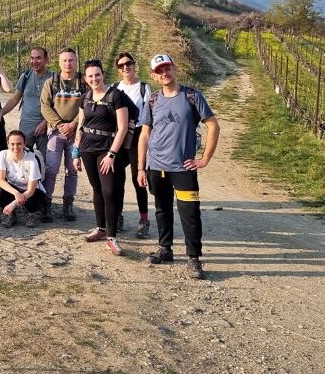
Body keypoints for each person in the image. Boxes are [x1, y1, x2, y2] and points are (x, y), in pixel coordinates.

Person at [138, 54, 220, 279]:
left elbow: (213, 126)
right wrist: (141, 167)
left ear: (175, 68)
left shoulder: (192, 96)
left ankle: (194, 258)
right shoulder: (153, 100)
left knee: (190, 213)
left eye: (167, 68)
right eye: (159, 70)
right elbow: (144, 135)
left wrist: (204, 159)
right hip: (157, 167)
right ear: (155, 76)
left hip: (183, 168)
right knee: (162, 209)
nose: (164, 73)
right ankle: (165, 249)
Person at [75, 59, 129, 256]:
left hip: (106, 149)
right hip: (87, 148)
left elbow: (122, 128)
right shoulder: (85, 97)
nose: (94, 78)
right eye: (90, 76)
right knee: (97, 189)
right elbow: (81, 125)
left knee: (109, 191)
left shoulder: (115, 96)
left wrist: (112, 155)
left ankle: (112, 237)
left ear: (103, 74)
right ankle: (100, 228)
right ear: (85, 78)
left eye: (97, 74)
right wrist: (75, 152)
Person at [40, 47, 87, 222]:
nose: (68, 63)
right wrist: (60, 125)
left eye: (71, 60)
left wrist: (74, 124)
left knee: (72, 170)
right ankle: (47, 204)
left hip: (76, 134)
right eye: (65, 60)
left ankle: (68, 205)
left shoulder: (83, 83)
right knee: (51, 169)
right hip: (56, 132)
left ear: (76, 62)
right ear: (59, 63)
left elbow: (87, 105)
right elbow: (45, 106)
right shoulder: (50, 82)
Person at [114, 51, 152, 238]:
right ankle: (118, 215)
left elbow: (147, 117)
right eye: (121, 66)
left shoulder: (144, 88)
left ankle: (144, 219)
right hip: (121, 135)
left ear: (134, 64)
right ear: (118, 69)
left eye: (128, 64)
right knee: (118, 179)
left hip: (137, 135)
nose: (125, 67)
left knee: (139, 179)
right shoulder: (115, 88)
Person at [0, 47, 53, 152]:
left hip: (47, 126)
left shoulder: (54, 79)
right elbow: (15, 99)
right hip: (26, 125)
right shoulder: (25, 76)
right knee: (23, 157)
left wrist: (45, 122)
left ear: (46, 60)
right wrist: (0, 114)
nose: (34, 61)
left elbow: (58, 104)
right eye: (32, 58)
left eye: (38, 58)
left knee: (45, 161)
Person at [0, 130, 45, 228]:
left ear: (24, 144)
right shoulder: (3, 155)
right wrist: (16, 193)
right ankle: (11, 215)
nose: (15, 147)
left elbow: (30, 191)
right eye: (12, 144)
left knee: (34, 199)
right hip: (14, 188)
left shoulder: (32, 160)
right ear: (8, 144)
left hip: (30, 190)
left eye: (19, 144)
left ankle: (30, 213)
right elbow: (0, 180)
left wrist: (13, 204)